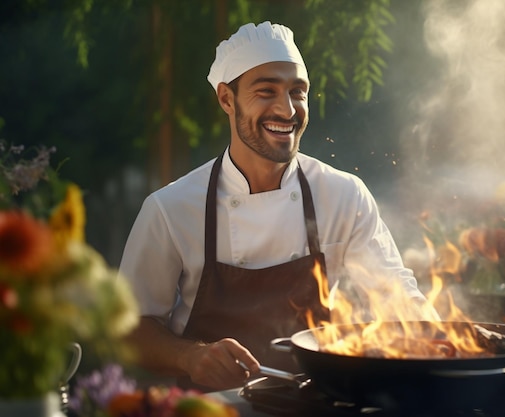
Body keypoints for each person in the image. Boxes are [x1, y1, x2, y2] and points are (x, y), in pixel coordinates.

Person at [119, 21, 434, 392]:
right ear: (226, 99)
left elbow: (396, 296)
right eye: (266, 91)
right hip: (208, 410)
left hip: (317, 404)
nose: (287, 110)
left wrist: (442, 337)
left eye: (297, 92)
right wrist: (189, 357)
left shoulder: (344, 195)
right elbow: (126, 329)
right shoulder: (170, 209)